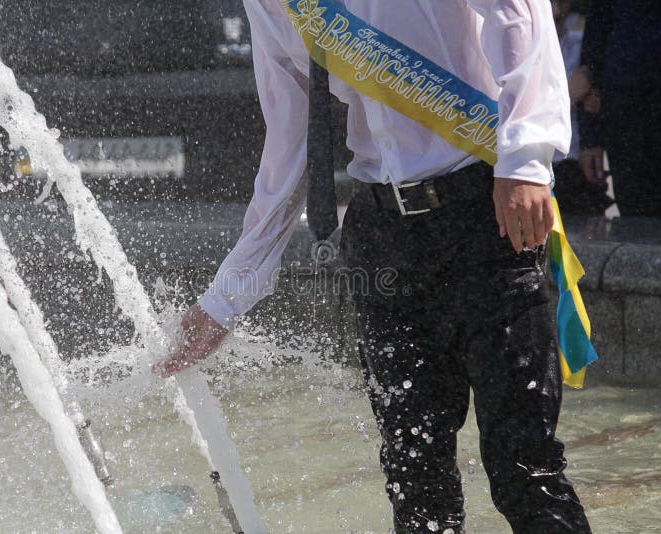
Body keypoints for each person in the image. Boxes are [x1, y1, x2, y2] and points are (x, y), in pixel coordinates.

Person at [154, 1, 593, 532]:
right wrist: (226, 298)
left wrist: (525, 162)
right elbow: (290, 137)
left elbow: (518, 12)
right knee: (414, 477)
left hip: (485, 212)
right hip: (381, 233)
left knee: (525, 470)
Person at [572, 0, 661, 217]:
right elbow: (595, 41)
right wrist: (591, 137)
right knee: (637, 217)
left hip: (627, 98)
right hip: (626, 106)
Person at [550, 0, 612, 215]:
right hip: (535, 167)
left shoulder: (583, 44)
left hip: (576, 166)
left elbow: (596, 99)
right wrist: (567, 98)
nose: (556, 10)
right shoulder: (510, 49)